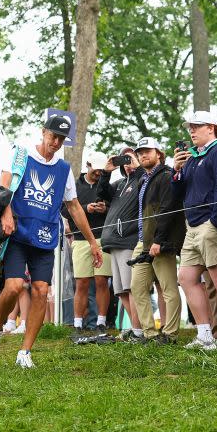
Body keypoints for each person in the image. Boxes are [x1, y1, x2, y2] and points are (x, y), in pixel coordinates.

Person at [0, 114, 103, 368]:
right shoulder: (21, 154)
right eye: (53, 136)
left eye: (61, 139)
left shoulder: (63, 169)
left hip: (46, 237)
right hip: (17, 233)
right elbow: (3, 186)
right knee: (13, 286)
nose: (56, 142)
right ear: (43, 131)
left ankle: (25, 352)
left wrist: (92, 241)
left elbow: (75, 206)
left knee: (41, 291)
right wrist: (6, 214)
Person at [172, 112, 217, 350]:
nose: (192, 131)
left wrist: (215, 220)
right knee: (186, 278)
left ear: (211, 128)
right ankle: (205, 334)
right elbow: (178, 194)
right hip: (192, 226)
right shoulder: (191, 157)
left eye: (197, 126)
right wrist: (176, 171)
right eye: (190, 127)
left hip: (213, 226)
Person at [126, 137, 185, 344]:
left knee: (168, 288)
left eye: (147, 151)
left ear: (158, 153)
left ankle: (171, 334)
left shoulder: (167, 175)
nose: (143, 155)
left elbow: (168, 211)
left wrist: (159, 241)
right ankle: (150, 333)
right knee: (137, 286)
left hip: (161, 241)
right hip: (143, 241)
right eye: (140, 152)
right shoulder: (144, 179)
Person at [65, 151, 112, 336]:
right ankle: (78, 324)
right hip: (80, 238)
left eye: (102, 170)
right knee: (82, 282)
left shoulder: (106, 185)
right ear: (88, 165)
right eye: (96, 170)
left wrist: (104, 209)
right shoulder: (74, 186)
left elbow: (115, 206)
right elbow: (65, 210)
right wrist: (85, 209)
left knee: (102, 281)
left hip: (103, 236)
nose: (99, 173)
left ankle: (101, 322)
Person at [97, 148, 143, 338]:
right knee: (121, 290)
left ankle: (139, 331)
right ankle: (133, 328)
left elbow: (147, 182)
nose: (127, 162)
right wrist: (106, 172)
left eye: (130, 157)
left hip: (128, 241)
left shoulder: (142, 179)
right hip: (112, 241)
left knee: (132, 288)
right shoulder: (119, 184)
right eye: (124, 159)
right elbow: (101, 192)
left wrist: (138, 167)